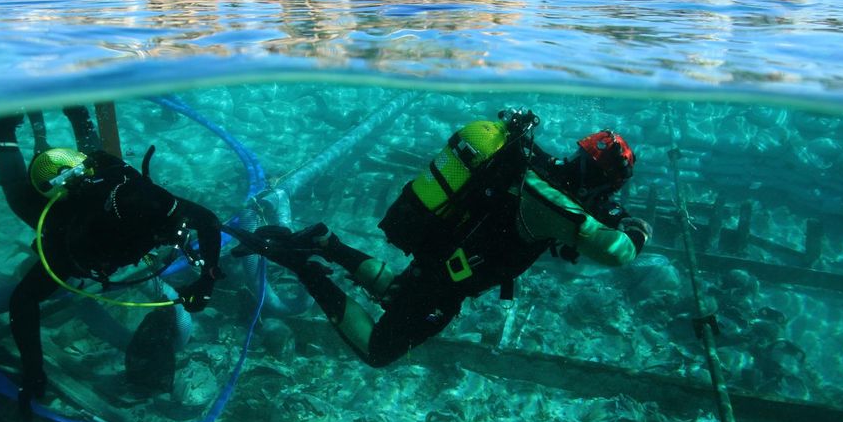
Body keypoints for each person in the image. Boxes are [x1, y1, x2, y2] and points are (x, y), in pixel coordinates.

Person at [228, 110, 651, 367]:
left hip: (440, 255)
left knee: (396, 292)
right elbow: (618, 253)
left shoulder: (533, 168)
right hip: (447, 282)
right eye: (611, 187)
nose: (611, 197)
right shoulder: (555, 203)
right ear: (601, 180)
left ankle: (326, 243)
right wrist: (637, 229)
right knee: (378, 350)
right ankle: (305, 264)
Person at [0, 106, 224, 413]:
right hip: (73, 206)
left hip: (98, 175)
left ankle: (48, 120)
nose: (170, 234)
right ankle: (11, 127)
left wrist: (207, 279)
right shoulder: (73, 245)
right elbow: (22, 301)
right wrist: (33, 370)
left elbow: (208, 221)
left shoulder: (148, 201)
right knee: (21, 192)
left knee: (95, 162)